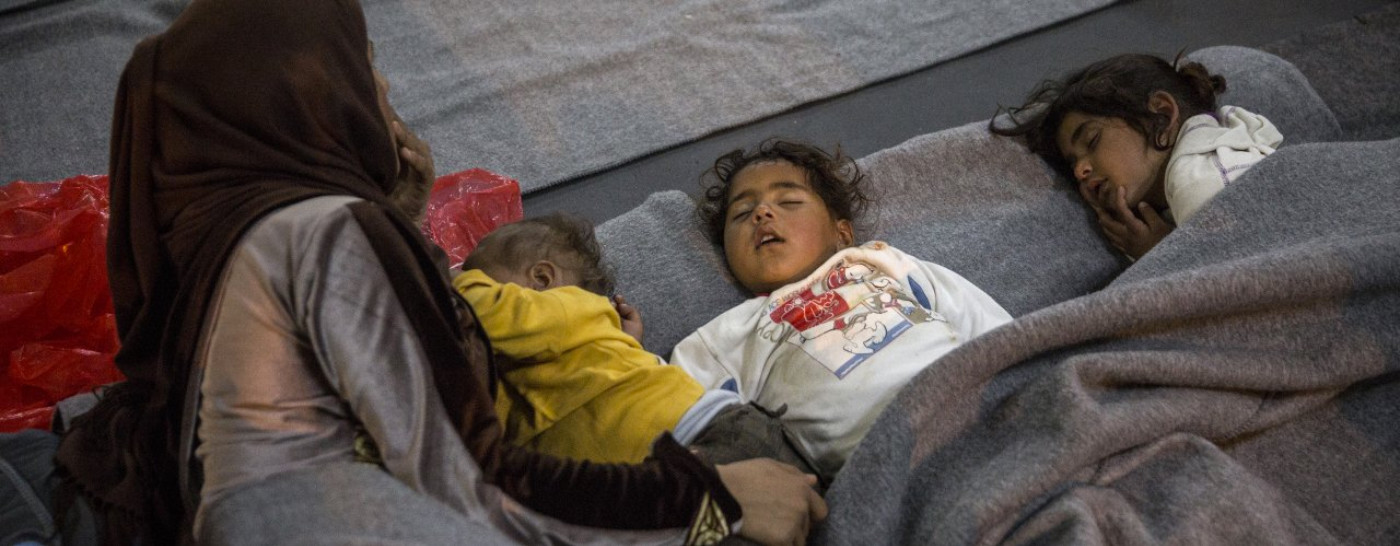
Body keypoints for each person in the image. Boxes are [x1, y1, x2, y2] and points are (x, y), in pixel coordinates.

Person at [51, 1, 824, 545]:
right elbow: (470, 484)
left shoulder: (206, 234)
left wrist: (402, 221)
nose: (381, 92)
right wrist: (709, 499)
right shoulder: (330, 234)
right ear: (301, 91)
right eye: (363, 66)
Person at [670, 139, 1015, 482]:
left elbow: (995, 332)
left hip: (982, 399)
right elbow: (671, 410)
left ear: (843, 233)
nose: (762, 213)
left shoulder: (879, 261)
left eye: (788, 200)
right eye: (742, 214)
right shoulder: (729, 334)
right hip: (887, 461)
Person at [451, 213, 821, 481]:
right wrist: (627, 347)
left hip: (704, 435)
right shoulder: (541, 354)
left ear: (542, 280)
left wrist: (450, 281)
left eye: (481, 278)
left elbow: (483, 314)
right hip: (659, 464)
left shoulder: (565, 308)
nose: (472, 284)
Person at [990, 53, 1283, 259]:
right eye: (1072, 163)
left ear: (1163, 115)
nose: (1080, 170)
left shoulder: (1198, 179)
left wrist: (1158, 255)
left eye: (1092, 140)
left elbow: (1244, 284)